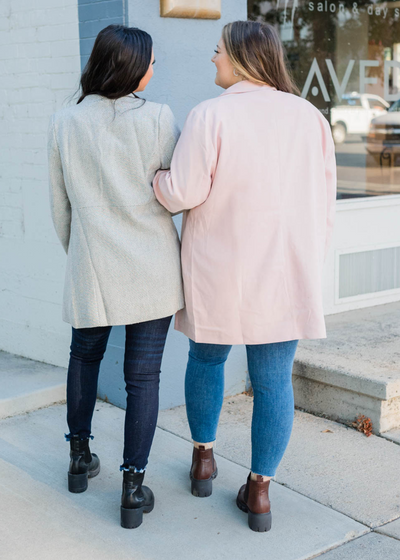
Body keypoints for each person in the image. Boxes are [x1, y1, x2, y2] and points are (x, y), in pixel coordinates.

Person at [153, 20, 336, 533]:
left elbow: (182, 191)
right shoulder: (310, 118)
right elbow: (324, 205)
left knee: (206, 359)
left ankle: (203, 461)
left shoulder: (209, 115)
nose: (212, 60)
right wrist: (311, 264)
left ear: (240, 57)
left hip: (220, 268)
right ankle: (259, 492)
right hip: (285, 271)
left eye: (218, 53)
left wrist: (157, 180)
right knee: (274, 380)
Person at [47, 24, 184, 529]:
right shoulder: (160, 119)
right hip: (151, 269)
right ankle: (132, 488)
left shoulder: (65, 121)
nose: (154, 68)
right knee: (142, 378)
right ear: (130, 68)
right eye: (150, 61)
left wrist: (82, 252)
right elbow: (176, 190)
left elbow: (59, 209)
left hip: (93, 268)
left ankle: (79, 460)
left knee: (83, 358)